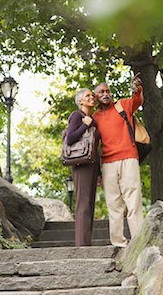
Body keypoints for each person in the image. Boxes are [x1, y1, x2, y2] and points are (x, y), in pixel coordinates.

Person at [92, 77, 144, 247]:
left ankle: (139, 240)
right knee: (113, 203)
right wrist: (98, 172)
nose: (105, 94)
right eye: (101, 92)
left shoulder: (122, 105)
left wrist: (137, 89)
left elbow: (137, 101)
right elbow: (94, 145)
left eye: (107, 91)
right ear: (96, 96)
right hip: (108, 163)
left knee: (133, 200)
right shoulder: (95, 118)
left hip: (129, 157)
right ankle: (118, 241)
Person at [66, 88, 100, 246]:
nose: (92, 98)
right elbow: (70, 138)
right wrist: (84, 126)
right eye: (88, 96)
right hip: (81, 164)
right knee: (83, 204)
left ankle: (86, 242)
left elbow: (94, 146)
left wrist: (99, 172)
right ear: (81, 101)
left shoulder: (91, 119)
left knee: (90, 204)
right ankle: (82, 245)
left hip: (92, 164)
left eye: (92, 96)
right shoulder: (76, 116)